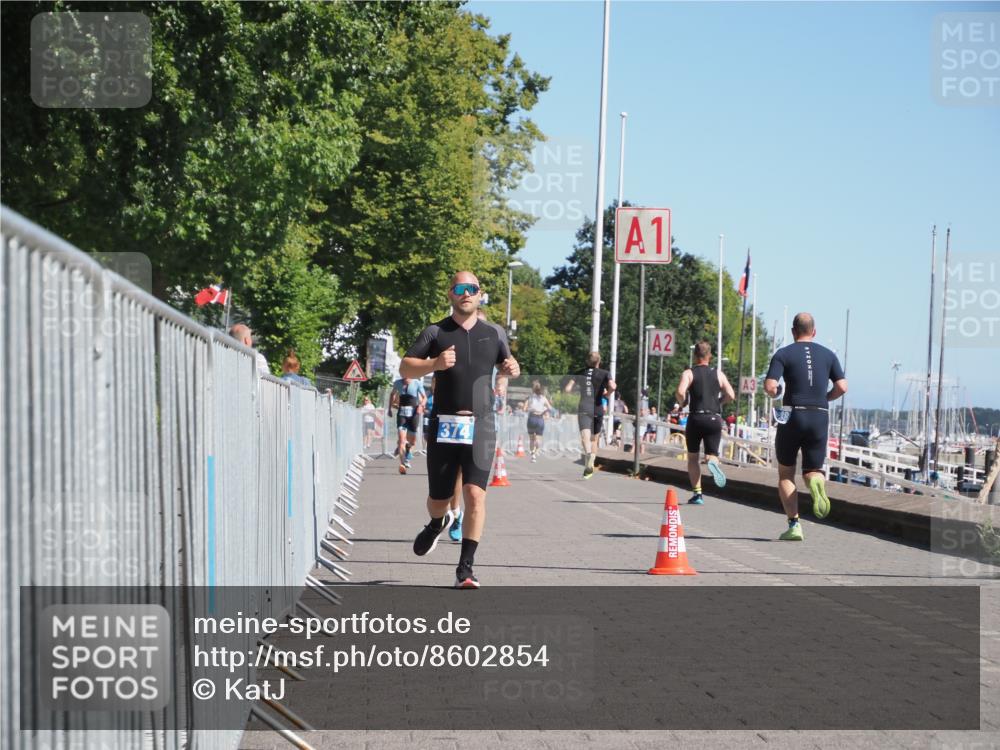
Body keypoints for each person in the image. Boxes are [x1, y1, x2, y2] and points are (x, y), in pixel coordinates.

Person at [401, 271, 520, 588]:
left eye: (472, 288)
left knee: (475, 495)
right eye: (459, 288)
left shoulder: (494, 333)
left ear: (480, 294)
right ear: (451, 294)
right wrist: (433, 365)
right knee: (438, 499)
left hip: (481, 425)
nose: (466, 293)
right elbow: (405, 366)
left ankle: (465, 569)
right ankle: (437, 522)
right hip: (444, 425)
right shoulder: (436, 332)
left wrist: (511, 370)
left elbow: (507, 366)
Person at [763, 312, 848, 541]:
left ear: (793, 332)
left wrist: (777, 392)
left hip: (792, 414)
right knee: (812, 470)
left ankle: (794, 525)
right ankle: (816, 483)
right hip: (819, 415)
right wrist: (825, 398)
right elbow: (842, 386)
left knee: (786, 473)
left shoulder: (783, 354)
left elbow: (771, 386)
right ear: (814, 331)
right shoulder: (829, 355)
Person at [675, 341, 735, 505]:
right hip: (714, 418)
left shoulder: (689, 373)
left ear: (696, 356)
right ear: (710, 356)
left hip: (696, 418)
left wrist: (682, 403)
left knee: (693, 458)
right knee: (712, 454)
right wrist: (720, 402)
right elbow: (731, 394)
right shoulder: (718, 373)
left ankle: (697, 494)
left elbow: (680, 391)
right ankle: (712, 463)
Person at [564, 351, 615, 479]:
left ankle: (587, 456)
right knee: (594, 439)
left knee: (584, 437)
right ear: (599, 361)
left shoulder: (580, 372)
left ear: (587, 361)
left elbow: (567, 389)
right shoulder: (605, 373)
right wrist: (607, 394)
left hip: (584, 407)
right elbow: (613, 386)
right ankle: (591, 464)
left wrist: (574, 393)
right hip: (597, 409)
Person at [390, 376, 426, 474]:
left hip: (414, 415)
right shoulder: (397, 383)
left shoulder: (417, 382)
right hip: (402, 414)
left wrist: (421, 406)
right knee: (401, 441)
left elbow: (424, 398)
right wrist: (390, 408)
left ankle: (408, 449)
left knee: (412, 442)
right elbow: (392, 394)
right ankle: (402, 464)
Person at [523, 381, 553, 462]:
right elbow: (550, 408)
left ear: (533, 389)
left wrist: (530, 408)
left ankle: (533, 455)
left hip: (532, 418)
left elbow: (524, 409)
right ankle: (536, 451)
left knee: (531, 439)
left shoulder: (529, 397)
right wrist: (544, 412)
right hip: (540, 418)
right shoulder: (543, 398)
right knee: (538, 438)